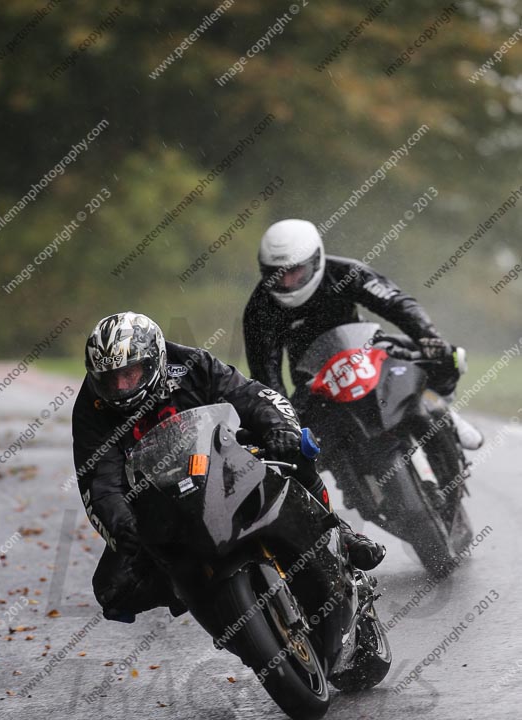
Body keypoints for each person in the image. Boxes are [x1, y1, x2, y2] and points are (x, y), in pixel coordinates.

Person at [72, 312, 385, 623]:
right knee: (113, 590)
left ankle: (339, 532)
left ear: (154, 360)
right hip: (157, 495)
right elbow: (99, 482)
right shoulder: (90, 409)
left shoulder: (191, 363)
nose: (120, 386)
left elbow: (251, 394)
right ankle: (198, 591)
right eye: (110, 379)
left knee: (295, 448)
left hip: (222, 459)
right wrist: (122, 524)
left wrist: (278, 427)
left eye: (130, 373)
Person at [243, 218, 483, 450]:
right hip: (314, 381)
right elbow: (265, 373)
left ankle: (447, 412)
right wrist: (283, 421)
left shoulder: (344, 272)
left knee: (449, 356)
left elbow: (396, 303)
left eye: (295, 271)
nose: (287, 282)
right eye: (276, 274)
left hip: (369, 350)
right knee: (287, 441)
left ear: (316, 261)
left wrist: (427, 336)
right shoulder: (259, 310)